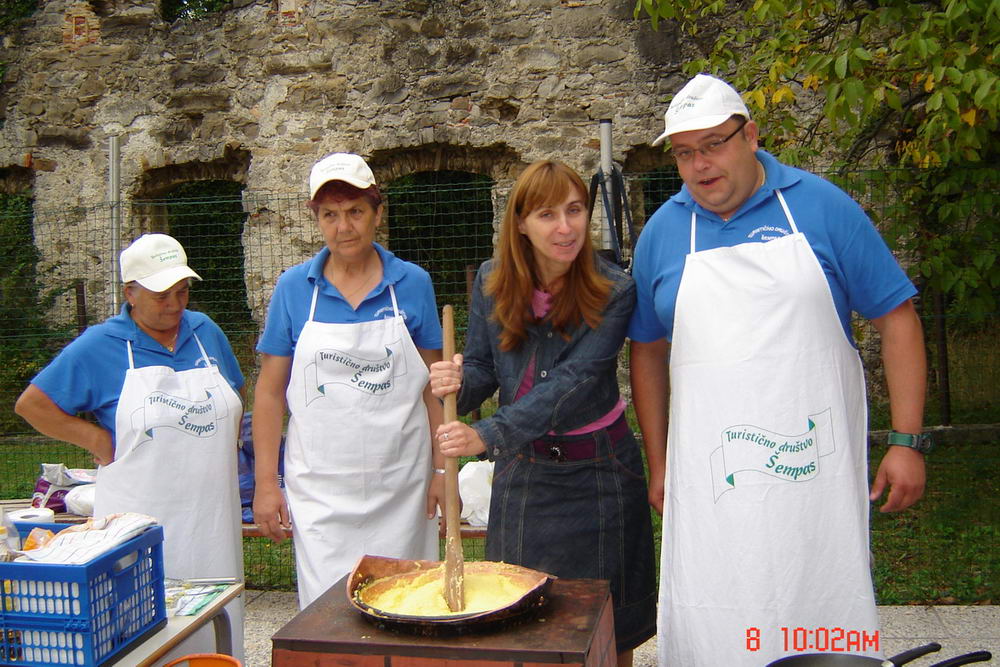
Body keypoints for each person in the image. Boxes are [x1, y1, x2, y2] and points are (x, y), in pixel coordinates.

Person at [628, 74, 929, 666]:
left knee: (816, 606)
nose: (699, 165)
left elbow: (897, 318)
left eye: (713, 144)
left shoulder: (822, 207)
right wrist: (659, 463)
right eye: (684, 153)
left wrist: (906, 441)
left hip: (812, 475)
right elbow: (647, 350)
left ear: (751, 136)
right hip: (712, 482)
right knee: (716, 617)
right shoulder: (663, 232)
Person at [430, 160, 657, 667]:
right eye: (547, 214)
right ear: (521, 223)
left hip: (599, 473)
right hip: (525, 472)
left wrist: (488, 433)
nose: (565, 227)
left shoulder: (615, 288)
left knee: (609, 631)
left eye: (574, 210)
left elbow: (575, 383)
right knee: (518, 619)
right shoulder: (491, 280)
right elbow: (484, 367)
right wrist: (456, 382)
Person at [15, 233, 246, 661]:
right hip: (140, 520)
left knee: (216, 623)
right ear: (130, 293)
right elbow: (33, 405)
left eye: (182, 291)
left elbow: (235, 391)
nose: (174, 305)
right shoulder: (100, 345)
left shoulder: (205, 332)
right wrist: (94, 438)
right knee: (144, 634)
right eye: (161, 295)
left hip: (212, 518)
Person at [252, 152, 445, 608]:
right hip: (321, 490)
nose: (344, 227)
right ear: (316, 219)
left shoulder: (412, 284)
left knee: (406, 605)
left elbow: (434, 390)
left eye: (356, 211)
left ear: (377, 213)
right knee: (327, 614)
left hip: (402, 486)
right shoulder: (294, 289)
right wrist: (266, 483)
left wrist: (442, 472)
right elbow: (269, 393)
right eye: (330, 215)